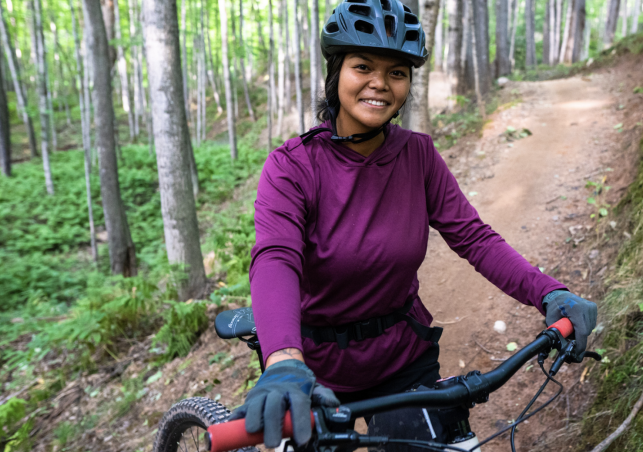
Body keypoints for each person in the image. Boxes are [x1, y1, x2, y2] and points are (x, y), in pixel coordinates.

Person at [230, 0, 598, 449]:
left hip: (401, 358)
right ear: (336, 73)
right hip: (312, 367)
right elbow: (275, 258)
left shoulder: (417, 155)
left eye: (397, 73)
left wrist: (549, 291)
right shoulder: (292, 167)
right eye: (363, 66)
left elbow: (474, 238)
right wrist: (284, 360)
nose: (379, 84)